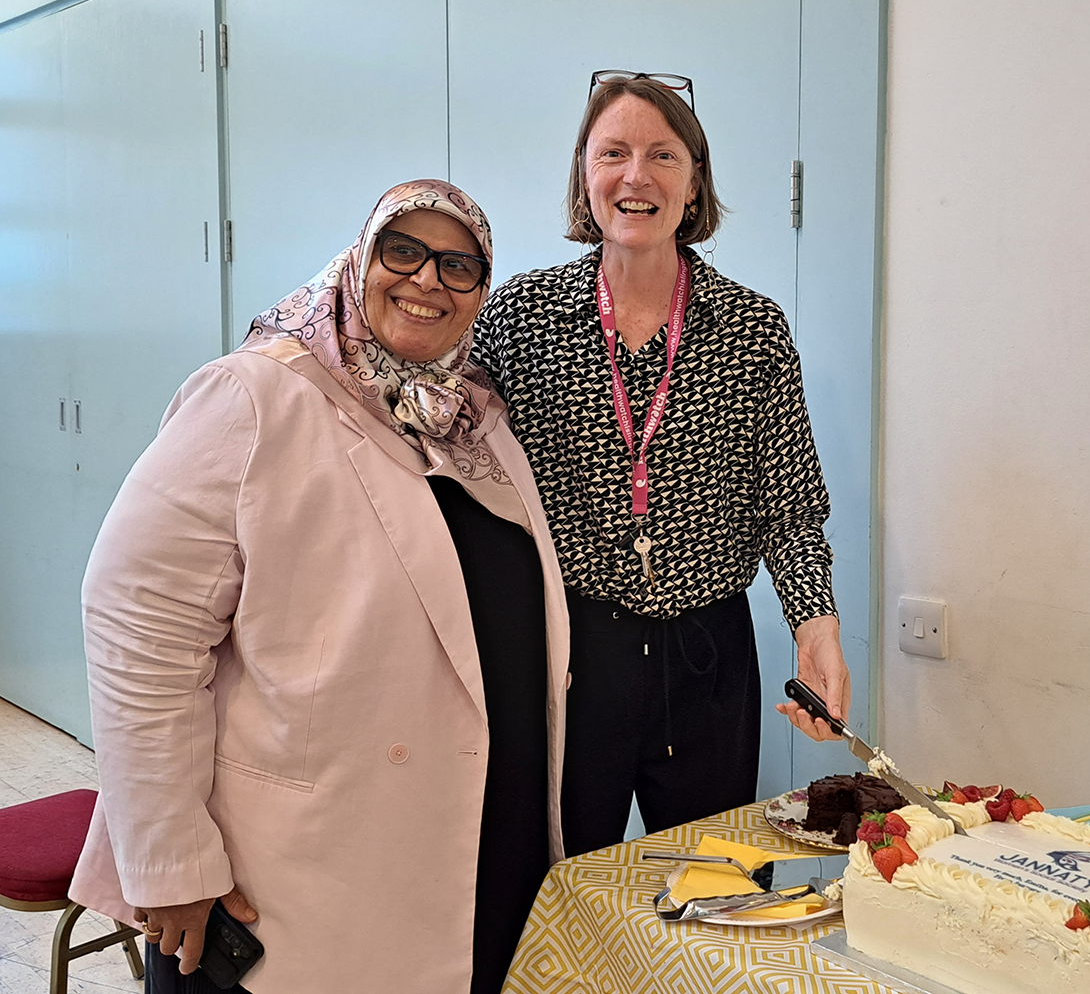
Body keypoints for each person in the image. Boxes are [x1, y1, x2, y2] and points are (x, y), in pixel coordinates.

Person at [68, 180, 568, 994]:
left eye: (459, 264)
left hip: (467, 858)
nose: (427, 280)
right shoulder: (256, 394)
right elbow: (138, 623)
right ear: (359, 259)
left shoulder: (474, 417)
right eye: (402, 250)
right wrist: (172, 860)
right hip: (292, 883)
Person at [474, 71, 850, 858]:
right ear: (586, 172)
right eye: (613, 152)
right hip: (570, 652)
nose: (635, 176)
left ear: (695, 179)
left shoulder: (751, 329)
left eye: (662, 155)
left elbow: (790, 509)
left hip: (708, 656)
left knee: (718, 881)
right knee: (555, 881)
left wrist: (816, 628)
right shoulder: (520, 316)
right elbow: (456, 472)